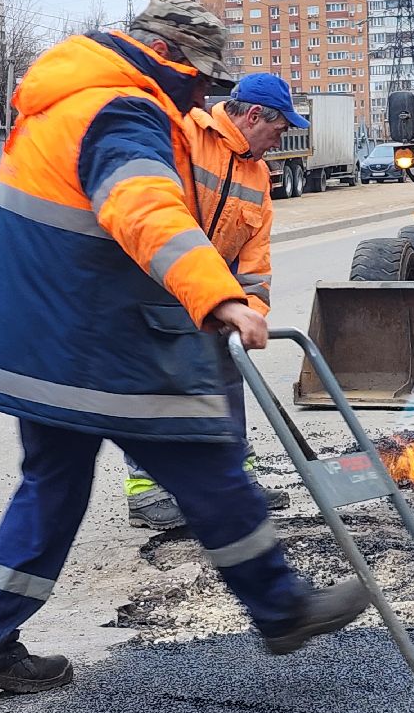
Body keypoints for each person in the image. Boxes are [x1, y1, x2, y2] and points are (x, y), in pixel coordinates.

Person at [0, 0, 369, 696]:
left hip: (38, 340)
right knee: (205, 460)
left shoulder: (64, 99)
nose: (199, 96)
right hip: (92, 335)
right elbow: (143, 206)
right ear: (172, 60)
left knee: (53, 486)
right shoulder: (121, 109)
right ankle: (282, 608)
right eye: (199, 81)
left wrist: (235, 295)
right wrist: (218, 294)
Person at [125, 72, 302, 531]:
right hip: (156, 283)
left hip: (218, 296)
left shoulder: (258, 173)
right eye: (277, 130)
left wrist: (251, 314)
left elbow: (255, 256)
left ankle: (232, 480)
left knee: (228, 382)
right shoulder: (186, 135)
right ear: (253, 115)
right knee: (159, 386)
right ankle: (147, 491)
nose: (277, 141)